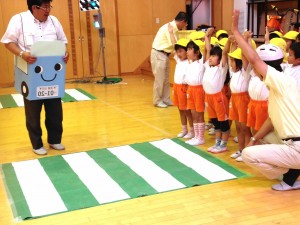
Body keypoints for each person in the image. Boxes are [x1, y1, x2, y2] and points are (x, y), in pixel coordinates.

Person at [232, 9, 300, 191]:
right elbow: (271, 120)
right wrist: (254, 138)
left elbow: (254, 60)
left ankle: (288, 173)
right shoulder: (280, 83)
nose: (254, 70)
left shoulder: (281, 81)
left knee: (248, 155)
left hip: (297, 147)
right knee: (262, 135)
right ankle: (290, 174)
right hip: (292, 143)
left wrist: (236, 32)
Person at [1, 0, 69, 155]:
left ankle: (55, 140)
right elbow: (7, 42)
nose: (48, 10)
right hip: (31, 73)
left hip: (53, 75)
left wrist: (66, 53)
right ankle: (37, 144)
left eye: (49, 6)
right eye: (45, 6)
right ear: (34, 7)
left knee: (55, 110)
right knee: (33, 112)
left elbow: (63, 41)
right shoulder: (18, 20)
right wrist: (21, 54)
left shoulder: (54, 21)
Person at [151, 12, 188, 108]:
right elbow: (174, 44)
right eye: (185, 23)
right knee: (160, 79)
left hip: (165, 55)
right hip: (159, 54)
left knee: (166, 79)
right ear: (182, 21)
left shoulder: (174, 28)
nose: (185, 26)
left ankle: (166, 99)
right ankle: (157, 100)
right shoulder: (169, 28)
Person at [203, 28, 230, 153]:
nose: (210, 58)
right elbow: (208, 49)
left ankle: (223, 144)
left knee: (223, 122)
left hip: (218, 98)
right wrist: (207, 37)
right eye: (211, 56)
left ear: (219, 59)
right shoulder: (208, 66)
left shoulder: (221, 68)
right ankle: (217, 142)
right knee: (215, 122)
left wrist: (229, 41)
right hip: (208, 97)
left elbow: (224, 53)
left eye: (214, 56)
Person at [227, 35, 252, 162]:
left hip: (243, 100)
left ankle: (247, 152)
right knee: (237, 127)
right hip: (234, 100)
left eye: (232, 61)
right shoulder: (234, 72)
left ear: (239, 62)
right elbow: (233, 52)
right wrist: (234, 42)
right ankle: (241, 149)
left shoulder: (245, 71)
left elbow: (244, 56)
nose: (230, 63)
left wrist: (245, 40)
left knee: (245, 127)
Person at [184, 39, 205, 146]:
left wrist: (206, 37)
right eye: (187, 49)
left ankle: (201, 137)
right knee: (193, 113)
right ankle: (196, 136)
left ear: (197, 52)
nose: (187, 51)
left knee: (199, 114)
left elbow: (206, 50)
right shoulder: (190, 64)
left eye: (190, 49)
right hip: (190, 89)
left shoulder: (201, 63)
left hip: (198, 90)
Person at [173, 38, 194, 139]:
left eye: (181, 51)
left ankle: (192, 130)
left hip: (184, 88)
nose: (178, 53)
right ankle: (184, 129)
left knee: (187, 110)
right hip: (176, 87)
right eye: (177, 51)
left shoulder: (189, 62)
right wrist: (172, 33)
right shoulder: (178, 60)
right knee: (180, 109)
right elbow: (174, 43)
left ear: (187, 51)